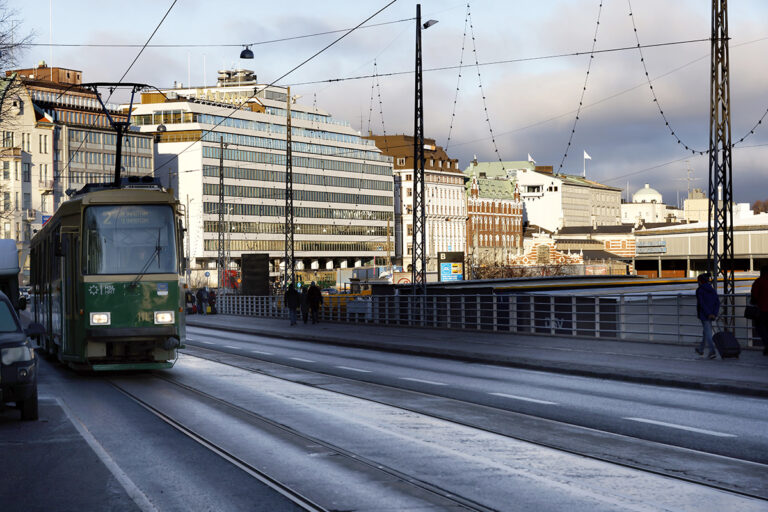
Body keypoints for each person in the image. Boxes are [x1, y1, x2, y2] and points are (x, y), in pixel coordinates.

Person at [695, 272, 720, 359]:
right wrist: (714, 313)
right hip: (712, 314)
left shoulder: (699, 290)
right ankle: (701, 349)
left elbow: (701, 304)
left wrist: (708, 314)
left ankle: (712, 351)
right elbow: (717, 302)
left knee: (708, 333)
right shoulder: (712, 290)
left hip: (704, 315)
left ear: (700, 282)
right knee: (706, 332)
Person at [750, 265, 768, 355]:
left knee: (760, 328)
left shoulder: (759, 282)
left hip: (762, 309)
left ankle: (767, 346)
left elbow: (754, 296)